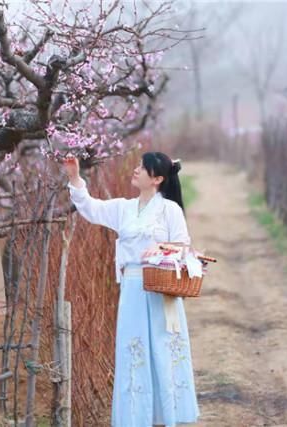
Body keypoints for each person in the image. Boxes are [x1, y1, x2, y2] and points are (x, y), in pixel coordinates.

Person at [62, 151, 200, 427]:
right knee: (133, 350)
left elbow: (184, 247)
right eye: (137, 165)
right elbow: (91, 208)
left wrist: (161, 248)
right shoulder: (123, 208)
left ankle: (165, 417)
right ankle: (136, 418)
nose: (136, 170)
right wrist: (76, 178)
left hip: (160, 291)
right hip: (133, 289)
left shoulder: (169, 210)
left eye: (143, 168)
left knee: (161, 350)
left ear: (157, 179)